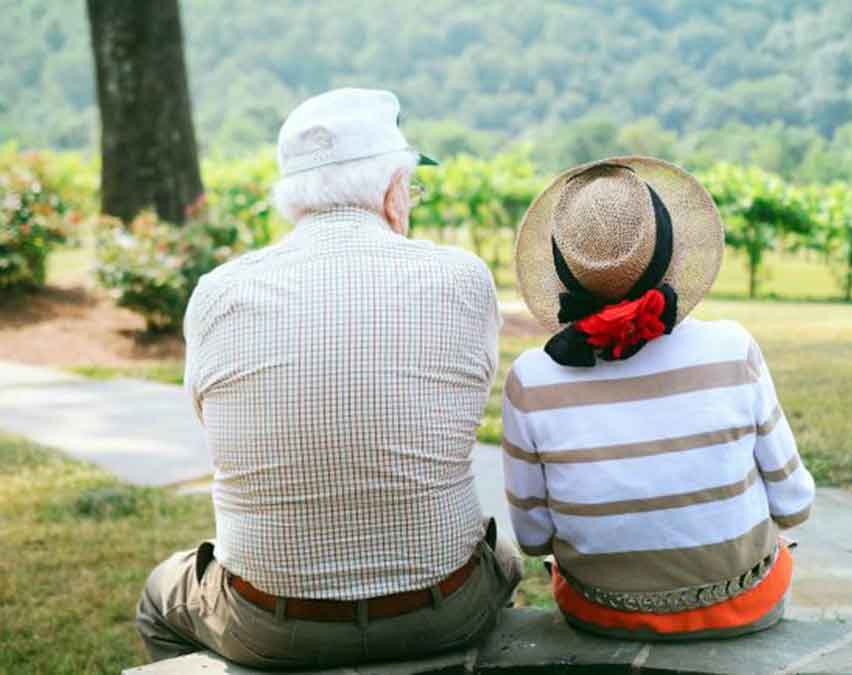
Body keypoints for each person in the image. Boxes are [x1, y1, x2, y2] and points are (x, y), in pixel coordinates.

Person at [135, 88, 521, 669]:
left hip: (268, 625)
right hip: (443, 609)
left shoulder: (219, 293)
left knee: (158, 598)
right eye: (410, 186)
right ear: (393, 190)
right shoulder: (462, 278)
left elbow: (210, 418)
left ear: (293, 198)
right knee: (506, 561)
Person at [501, 157, 815, 641]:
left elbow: (532, 539)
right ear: (670, 253)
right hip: (743, 604)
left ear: (564, 269)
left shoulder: (532, 378)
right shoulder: (733, 348)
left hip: (600, 613)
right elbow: (794, 503)